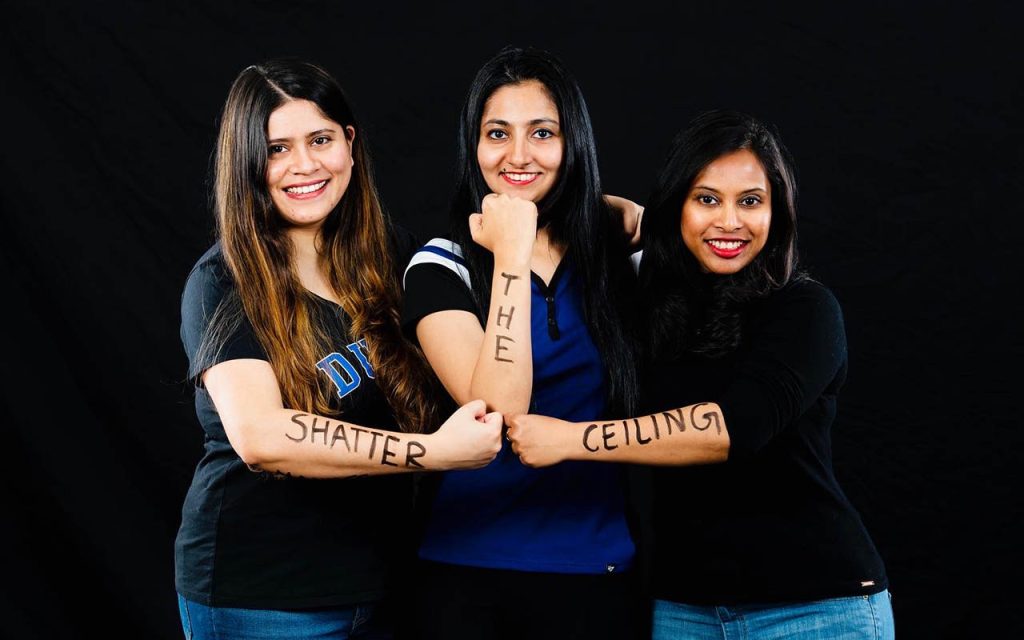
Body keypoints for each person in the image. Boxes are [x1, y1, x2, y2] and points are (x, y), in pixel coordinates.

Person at [507, 110, 895, 639]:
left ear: (777, 212)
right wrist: (628, 219)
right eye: (706, 199)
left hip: (815, 607)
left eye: (750, 201)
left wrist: (572, 440)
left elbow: (732, 428)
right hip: (684, 609)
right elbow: (577, 222)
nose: (729, 221)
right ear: (678, 207)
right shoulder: (650, 304)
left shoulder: (806, 309)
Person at [175, 59, 503, 640]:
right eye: (276, 149)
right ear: (246, 162)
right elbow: (262, 438)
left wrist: (617, 218)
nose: (304, 165)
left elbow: (506, 240)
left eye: (320, 139)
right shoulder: (222, 280)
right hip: (264, 596)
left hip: (386, 586)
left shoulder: (392, 253)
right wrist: (430, 451)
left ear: (349, 144)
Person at [400, 46, 643, 639]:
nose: (518, 155)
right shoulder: (440, 267)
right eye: (496, 133)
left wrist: (636, 220)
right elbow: (497, 412)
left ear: (573, 142)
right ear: (473, 146)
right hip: (467, 571)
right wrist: (511, 252)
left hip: (600, 568)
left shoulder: (620, 259)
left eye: (542, 133)